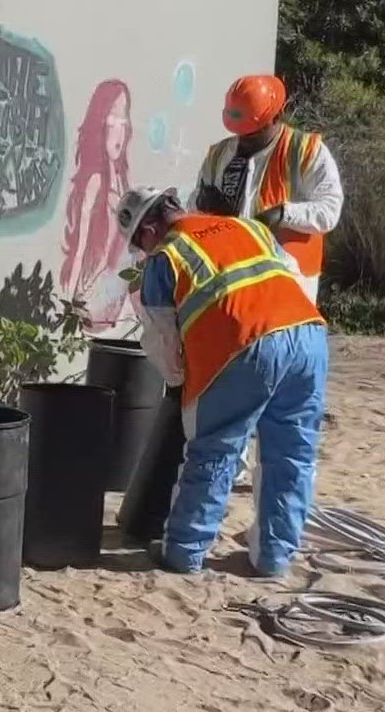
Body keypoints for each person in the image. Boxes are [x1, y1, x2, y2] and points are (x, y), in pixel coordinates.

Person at [120, 185, 329, 576]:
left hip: (243, 347)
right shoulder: (246, 228)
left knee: (214, 450)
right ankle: (273, 557)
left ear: (148, 229)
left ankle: (183, 550)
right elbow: (291, 277)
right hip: (308, 337)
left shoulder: (165, 259)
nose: (142, 252)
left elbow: (163, 342)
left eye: (138, 244)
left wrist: (180, 382)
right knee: (292, 453)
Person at [192, 74, 343, 304]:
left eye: (253, 132)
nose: (244, 139)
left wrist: (282, 214)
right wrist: (203, 206)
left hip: (289, 285)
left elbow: (329, 211)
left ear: (277, 117)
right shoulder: (219, 155)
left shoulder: (306, 151)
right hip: (231, 282)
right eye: (239, 132)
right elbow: (193, 208)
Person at [57, 79, 135, 329]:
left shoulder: (122, 183)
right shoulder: (95, 182)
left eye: (124, 120)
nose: (119, 131)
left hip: (117, 309)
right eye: (112, 119)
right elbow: (79, 249)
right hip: (93, 304)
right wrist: (67, 306)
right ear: (99, 123)